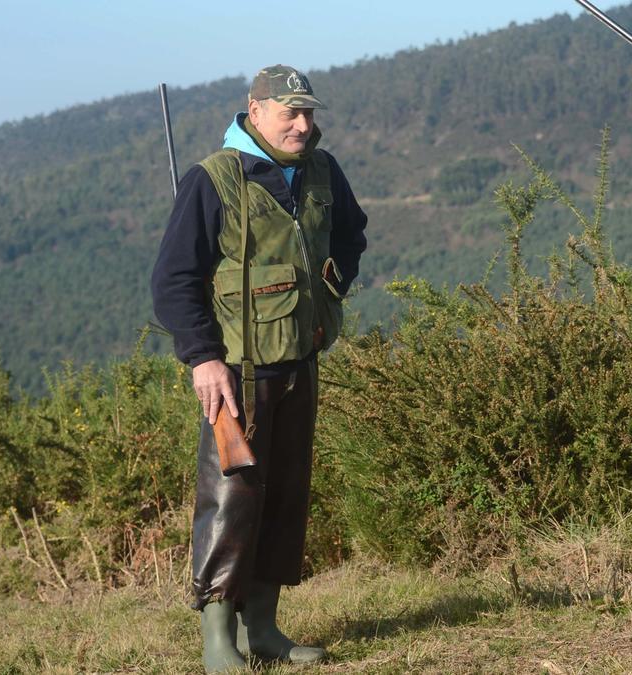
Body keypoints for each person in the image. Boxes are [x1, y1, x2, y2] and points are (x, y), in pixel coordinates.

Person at [151, 65, 367, 671]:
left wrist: (330, 290)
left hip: (300, 359)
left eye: (309, 114)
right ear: (255, 108)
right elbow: (173, 281)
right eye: (290, 113)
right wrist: (202, 359)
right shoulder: (213, 179)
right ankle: (219, 642)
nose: (303, 125)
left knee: (286, 493)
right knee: (232, 499)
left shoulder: (322, 170)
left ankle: (264, 630)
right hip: (236, 370)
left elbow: (351, 235)